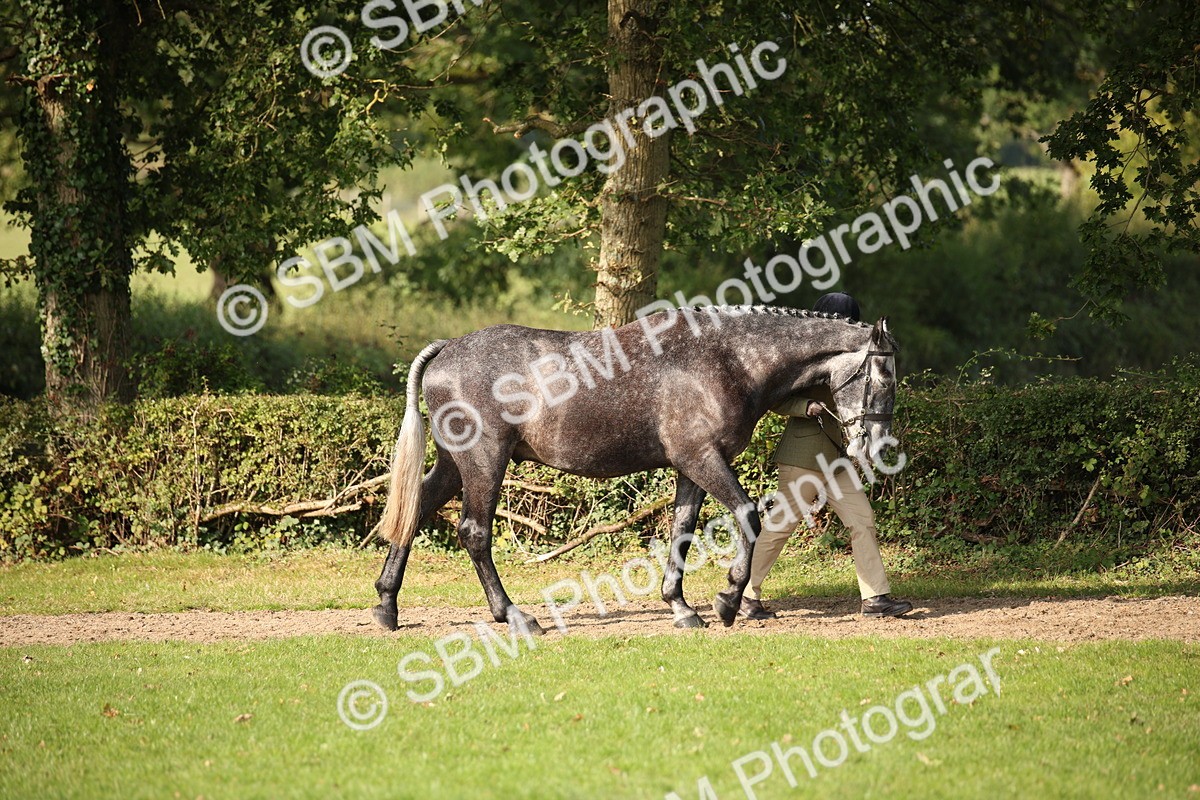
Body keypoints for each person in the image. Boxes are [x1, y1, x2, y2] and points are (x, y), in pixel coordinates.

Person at [740, 292, 913, 620]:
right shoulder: (801, 357)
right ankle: (746, 593)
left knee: (862, 521)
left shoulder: (854, 357)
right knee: (780, 527)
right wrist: (804, 406)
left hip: (837, 456)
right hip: (803, 455)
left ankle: (875, 598)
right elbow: (774, 400)